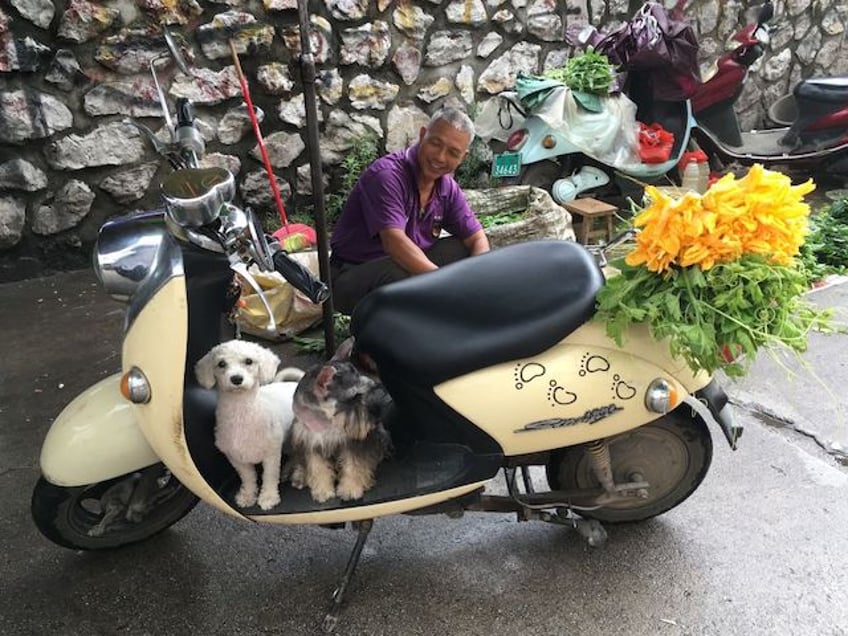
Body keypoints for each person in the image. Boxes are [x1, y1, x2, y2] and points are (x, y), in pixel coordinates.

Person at [329, 106, 490, 314]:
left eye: (452, 152)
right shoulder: (388, 176)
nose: (440, 157)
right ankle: (384, 335)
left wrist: (480, 279)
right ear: (423, 135)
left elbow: (478, 239)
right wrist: (444, 284)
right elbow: (395, 243)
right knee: (400, 272)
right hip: (350, 276)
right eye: (435, 143)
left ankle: (445, 313)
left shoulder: (446, 187)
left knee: (463, 249)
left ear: (463, 158)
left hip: (401, 268)